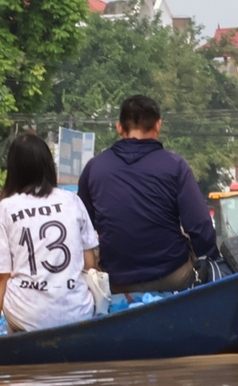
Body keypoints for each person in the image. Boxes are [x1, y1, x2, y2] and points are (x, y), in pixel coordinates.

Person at [76, 94, 219, 294]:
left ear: (119, 128)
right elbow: (201, 227)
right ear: (158, 125)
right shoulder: (175, 166)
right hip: (173, 276)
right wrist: (213, 261)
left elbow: (80, 227)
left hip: (116, 281)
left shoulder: (94, 168)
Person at [0, 135, 99, 349]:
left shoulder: (5, 209)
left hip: (27, 316)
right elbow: (89, 263)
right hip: (78, 312)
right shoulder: (72, 200)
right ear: (48, 165)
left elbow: (0, 276)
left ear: (13, 169)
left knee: (17, 302)